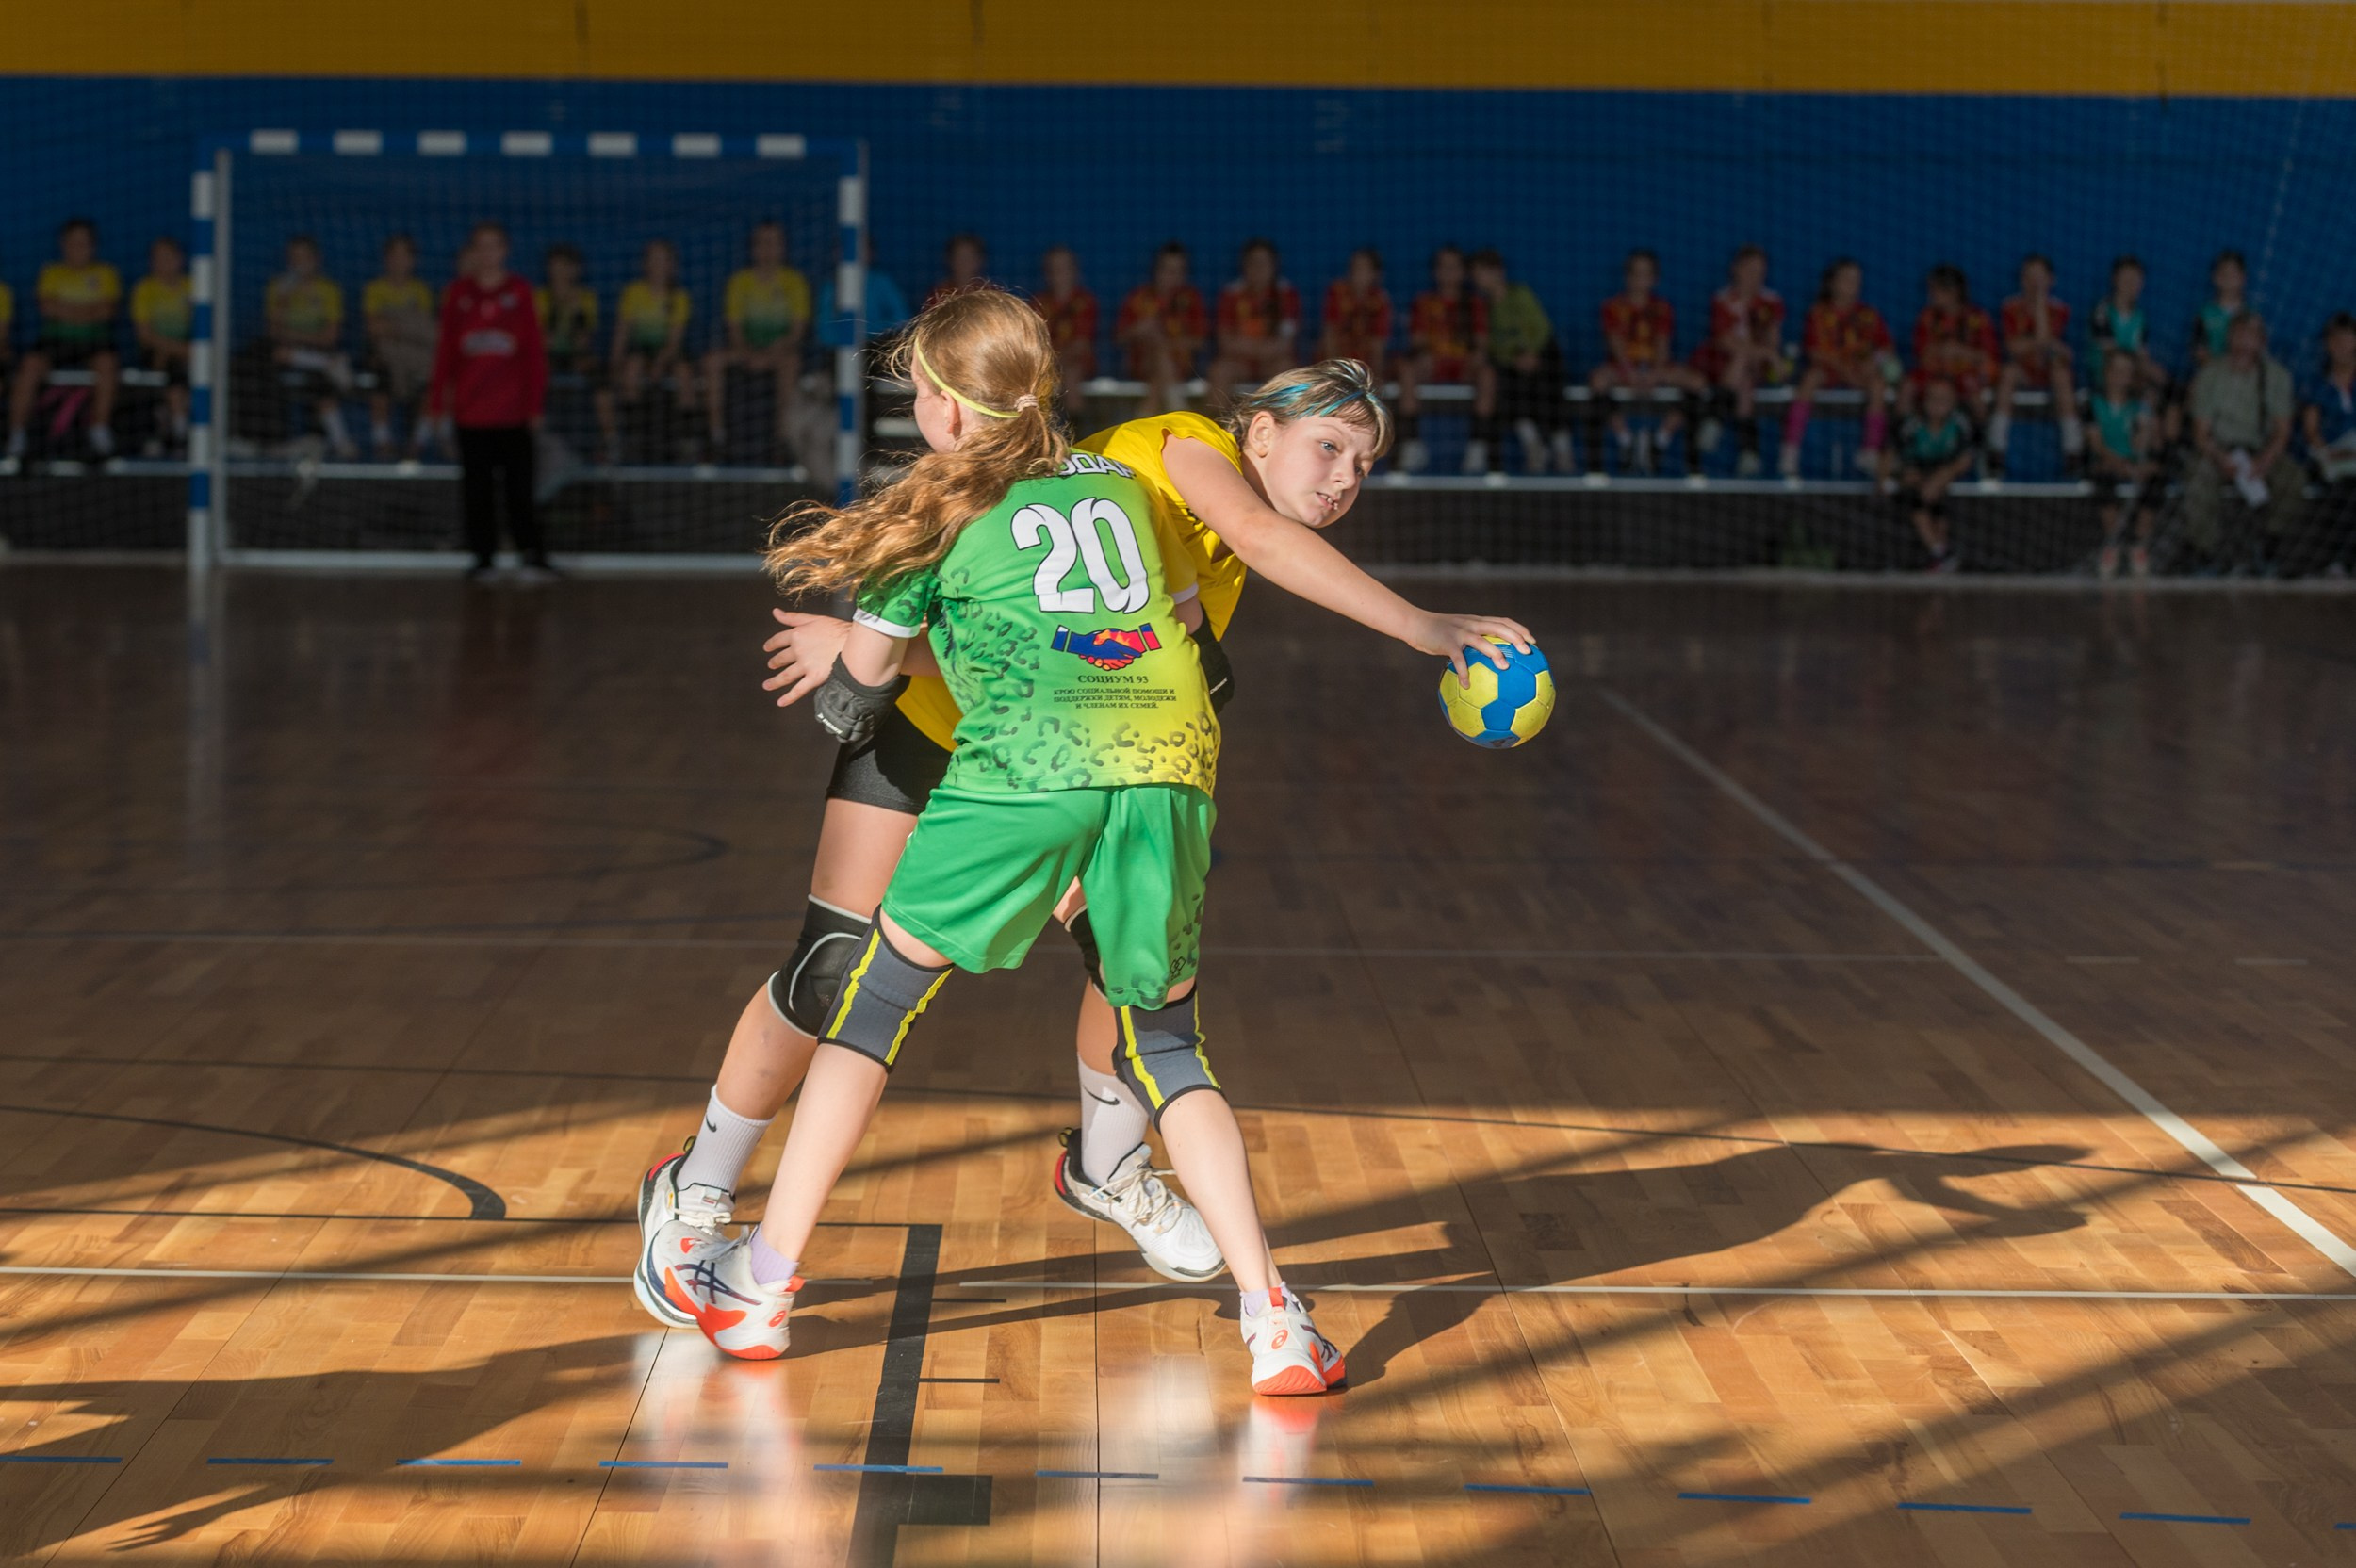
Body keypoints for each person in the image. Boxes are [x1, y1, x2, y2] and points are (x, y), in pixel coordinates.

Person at [630, 344, 1530, 1332]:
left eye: (1362, 465)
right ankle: (698, 1180)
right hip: (940, 727)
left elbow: (1099, 640)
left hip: (1055, 750)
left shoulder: (1206, 550)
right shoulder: (1182, 450)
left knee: (1125, 962)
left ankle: (1107, 1163)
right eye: (1327, 449)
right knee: (833, 967)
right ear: (1259, 435)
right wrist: (1423, 626)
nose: (1342, 479)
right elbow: (1016, 607)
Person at [429, 221, 550, 583]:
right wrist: (438, 405)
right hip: (471, 413)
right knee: (477, 492)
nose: (487, 253)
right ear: (472, 252)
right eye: (480, 246)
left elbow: (534, 355)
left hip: (513, 413)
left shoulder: (521, 292)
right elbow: (445, 356)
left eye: (494, 246)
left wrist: (535, 406)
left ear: (505, 251)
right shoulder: (458, 295)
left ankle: (532, 555)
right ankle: (484, 559)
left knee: (520, 490)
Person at [2184, 309, 2302, 573]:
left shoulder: (2277, 376)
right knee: (2198, 479)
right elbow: (2200, 434)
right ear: (2228, 338)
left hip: (2261, 448)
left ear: (2262, 341)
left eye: (2251, 336)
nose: (2244, 342)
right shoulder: (2210, 375)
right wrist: (2219, 458)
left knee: (2292, 479)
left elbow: (2283, 430)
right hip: (2219, 449)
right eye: (2238, 334)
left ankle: (2271, 542)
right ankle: (2204, 552)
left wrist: (2264, 461)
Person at [7, 218, 123, 462]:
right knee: (29, 366)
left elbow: (107, 312)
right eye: (73, 242)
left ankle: (99, 431)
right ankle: (17, 436)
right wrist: (89, 311)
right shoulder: (51, 272)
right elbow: (48, 308)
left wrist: (67, 309)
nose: (78, 247)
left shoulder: (106, 273)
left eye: (83, 242)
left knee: (108, 364)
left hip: (94, 342)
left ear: (93, 246)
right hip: (56, 340)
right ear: (63, 244)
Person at [1586, 248, 1702, 475]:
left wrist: (1654, 373)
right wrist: (1630, 372)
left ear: (1654, 279)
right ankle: (1625, 440)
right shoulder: (1612, 307)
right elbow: (1615, 342)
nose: (1640, 279)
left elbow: (1662, 344)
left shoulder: (1661, 307)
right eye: (1635, 273)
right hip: (1623, 368)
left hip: (1655, 368)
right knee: (1597, 381)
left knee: (1697, 383)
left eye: (1646, 273)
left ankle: (1659, 441)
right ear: (1626, 277)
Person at [704, 220, 810, 464]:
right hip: (745, 351)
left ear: (782, 248)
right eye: (762, 243)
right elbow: (734, 330)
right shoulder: (739, 282)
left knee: (791, 363)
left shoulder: (794, 282)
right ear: (752, 248)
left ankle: (782, 442)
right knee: (712, 362)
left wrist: (772, 352)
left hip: (779, 354)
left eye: (773, 243)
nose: (767, 249)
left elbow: (797, 332)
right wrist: (749, 353)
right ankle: (715, 437)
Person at [1781, 257, 1892, 479]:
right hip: (1830, 370)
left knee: (1879, 385)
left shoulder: (1868, 315)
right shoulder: (1818, 314)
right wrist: (1842, 368)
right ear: (1832, 283)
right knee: (1809, 379)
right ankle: (1790, 450)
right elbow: (1813, 351)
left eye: (1857, 280)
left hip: (1860, 372)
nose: (1853, 284)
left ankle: (1869, 451)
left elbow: (1886, 348)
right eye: (1847, 279)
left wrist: (1872, 363)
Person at [1468, 248, 1571, 474]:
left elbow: (1542, 329)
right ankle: (1533, 446)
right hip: (1513, 366)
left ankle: (1562, 448)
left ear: (1498, 272)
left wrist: (1531, 353)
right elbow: (1493, 348)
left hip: (1540, 357)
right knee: (1507, 386)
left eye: (1482, 272)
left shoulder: (1520, 294)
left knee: (1548, 382)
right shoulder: (1484, 309)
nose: (1478, 278)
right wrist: (1515, 359)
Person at [1691, 244, 1788, 476]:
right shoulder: (1723, 299)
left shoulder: (1771, 302)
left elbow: (1774, 341)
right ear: (1736, 269)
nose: (1756, 276)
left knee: (1745, 371)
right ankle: (1750, 452)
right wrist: (1764, 354)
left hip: (1757, 367)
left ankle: (1715, 419)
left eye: (1761, 271)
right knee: (1742, 374)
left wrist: (1766, 356)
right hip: (1721, 364)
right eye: (1750, 269)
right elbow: (1723, 341)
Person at [1395, 245, 1492, 474]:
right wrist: (1426, 353)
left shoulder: (1474, 304)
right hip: (1433, 365)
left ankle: (1477, 448)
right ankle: (1412, 444)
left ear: (1463, 272)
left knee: (1488, 374)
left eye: (1454, 267)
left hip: (1464, 366)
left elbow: (1481, 343)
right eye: (1443, 266)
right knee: (1406, 368)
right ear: (1435, 272)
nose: (1448, 272)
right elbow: (1417, 342)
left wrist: (1474, 358)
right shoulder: (1424, 302)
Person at [1989, 253, 2083, 476]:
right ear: (2021, 280)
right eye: (2030, 277)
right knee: (2008, 372)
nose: (2034, 283)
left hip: (2050, 370)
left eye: (2040, 277)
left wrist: (2040, 308)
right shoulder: (2010, 307)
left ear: (2051, 280)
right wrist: (2046, 344)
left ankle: (2073, 450)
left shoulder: (2060, 309)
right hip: (2023, 370)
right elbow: (2015, 348)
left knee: (2062, 375)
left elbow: (2059, 352)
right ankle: (1996, 448)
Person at [610, 238, 695, 459]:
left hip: (669, 352)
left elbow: (674, 341)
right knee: (632, 368)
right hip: (641, 351)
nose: (657, 265)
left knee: (684, 373)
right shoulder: (633, 293)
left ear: (672, 266)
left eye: (663, 260)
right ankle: (633, 436)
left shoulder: (679, 297)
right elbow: (622, 333)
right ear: (644, 265)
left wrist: (660, 363)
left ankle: (688, 438)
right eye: (652, 259)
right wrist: (615, 362)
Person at [1885, 376, 1977, 572]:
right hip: (1917, 477)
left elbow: (1966, 459)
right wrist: (1915, 479)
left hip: (1946, 476)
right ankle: (1940, 553)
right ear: (1924, 401)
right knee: (1917, 498)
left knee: (1940, 499)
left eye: (1944, 400)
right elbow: (1897, 459)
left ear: (1953, 402)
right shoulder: (1912, 425)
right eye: (1933, 399)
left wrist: (1942, 476)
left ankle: (1938, 555)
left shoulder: (1959, 424)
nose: (1937, 405)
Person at [362, 235, 438, 460]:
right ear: (386, 259)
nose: (399, 261)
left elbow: (426, 333)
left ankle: (419, 442)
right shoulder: (374, 289)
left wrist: (394, 325)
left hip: (416, 358)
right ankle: (382, 441)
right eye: (394, 255)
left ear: (413, 260)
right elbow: (374, 328)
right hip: (384, 356)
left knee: (433, 381)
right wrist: (407, 326)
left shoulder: (421, 291)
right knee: (379, 378)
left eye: (405, 255)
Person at [2086, 350, 2161, 580]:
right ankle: (2113, 544)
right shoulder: (2093, 402)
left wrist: (2149, 419)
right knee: (2103, 478)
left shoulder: (2138, 406)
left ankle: (2138, 546)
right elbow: (2095, 444)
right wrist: (2118, 463)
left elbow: (2146, 445)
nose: (2120, 376)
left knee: (2156, 478)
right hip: (2106, 461)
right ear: (2106, 373)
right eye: (2116, 370)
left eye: (2126, 371)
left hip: (2132, 461)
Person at [535, 243, 610, 458]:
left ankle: (608, 439)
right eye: (555, 266)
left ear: (576, 270)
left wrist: (575, 308)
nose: (559, 272)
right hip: (546, 356)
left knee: (600, 373)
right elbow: (541, 341)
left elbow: (582, 341)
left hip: (575, 355)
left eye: (565, 266)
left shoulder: (586, 298)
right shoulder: (539, 297)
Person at [1904, 265, 1997, 435]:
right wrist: (1941, 351)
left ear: (1953, 291)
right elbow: (1921, 354)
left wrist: (1960, 352)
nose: (1931, 295)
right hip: (1935, 372)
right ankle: (1903, 439)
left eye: (1936, 290)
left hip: (1966, 372)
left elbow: (1988, 355)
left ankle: (1984, 446)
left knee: (1976, 398)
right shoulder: (1927, 317)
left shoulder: (1977, 317)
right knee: (1907, 387)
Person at [1115, 241, 1206, 414]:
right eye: (1167, 270)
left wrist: (1168, 344)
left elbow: (1200, 341)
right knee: (1158, 353)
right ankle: (1179, 410)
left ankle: (1141, 422)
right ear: (1156, 270)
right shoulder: (1139, 298)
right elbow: (1119, 338)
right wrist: (1140, 329)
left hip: (1181, 364)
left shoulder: (1191, 299)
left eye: (1178, 271)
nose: (1173, 276)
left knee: (1159, 368)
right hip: (1141, 364)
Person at [1206, 238, 1301, 392]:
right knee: (1219, 370)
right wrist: (1252, 349)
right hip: (1239, 361)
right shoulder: (1230, 294)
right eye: (1253, 262)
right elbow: (1224, 341)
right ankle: (1216, 416)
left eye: (1264, 263)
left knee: (1287, 369)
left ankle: (1283, 416)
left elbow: (1286, 343)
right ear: (1244, 265)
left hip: (1273, 360)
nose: (1259, 268)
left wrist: (1260, 350)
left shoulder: (1287, 294)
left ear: (1274, 265)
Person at [2301, 313, 2356, 578]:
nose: (2342, 346)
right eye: (2336, 340)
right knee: (2346, 490)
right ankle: (2342, 562)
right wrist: (2329, 452)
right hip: (2333, 458)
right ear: (2327, 345)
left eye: (2348, 339)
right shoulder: (2318, 384)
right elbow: (2311, 431)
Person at [129, 236, 193, 456]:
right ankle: (179, 433)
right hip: (158, 353)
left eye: (168, 257)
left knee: (180, 370)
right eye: (157, 258)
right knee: (168, 363)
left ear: (180, 259)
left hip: (188, 354)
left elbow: (203, 328)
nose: (162, 263)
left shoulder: (192, 287)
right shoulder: (144, 289)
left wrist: (189, 351)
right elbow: (145, 336)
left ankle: (176, 431)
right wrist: (182, 350)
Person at [1033, 244, 1099, 423]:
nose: (1059, 274)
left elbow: (1081, 345)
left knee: (1071, 371)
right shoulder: (1039, 303)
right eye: (1054, 269)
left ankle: (1075, 434)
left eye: (1064, 268)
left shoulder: (1085, 301)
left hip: (1074, 365)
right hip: (1047, 367)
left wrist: (1056, 364)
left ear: (1074, 271)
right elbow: (1035, 346)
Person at [2089, 254, 2168, 401]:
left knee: (2167, 388)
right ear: (2115, 279)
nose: (2131, 283)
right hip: (2106, 374)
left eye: (2136, 279)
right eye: (2126, 277)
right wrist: (2144, 370)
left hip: (2132, 372)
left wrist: (2152, 370)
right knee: (2146, 390)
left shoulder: (2140, 317)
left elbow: (2142, 354)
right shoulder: (2101, 311)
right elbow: (2111, 354)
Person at [1319, 247, 1393, 385]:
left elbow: (1378, 345)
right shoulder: (1337, 292)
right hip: (1337, 361)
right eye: (1355, 267)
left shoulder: (1380, 300)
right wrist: (1335, 372)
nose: (1358, 273)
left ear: (1376, 274)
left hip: (1365, 365)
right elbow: (1329, 335)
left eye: (1364, 268)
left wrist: (1374, 378)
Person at [2189, 249, 2249, 375]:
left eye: (2234, 273)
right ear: (2215, 277)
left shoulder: (2251, 316)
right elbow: (2199, 354)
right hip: (2214, 377)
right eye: (2224, 273)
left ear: (2243, 278)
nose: (2228, 278)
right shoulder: (2204, 315)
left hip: (2244, 378)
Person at [923, 232, 990, 312]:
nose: (964, 262)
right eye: (959, 257)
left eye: (969, 257)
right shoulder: (938, 294)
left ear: (980, 259)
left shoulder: (991, 293)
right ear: (949, 259)